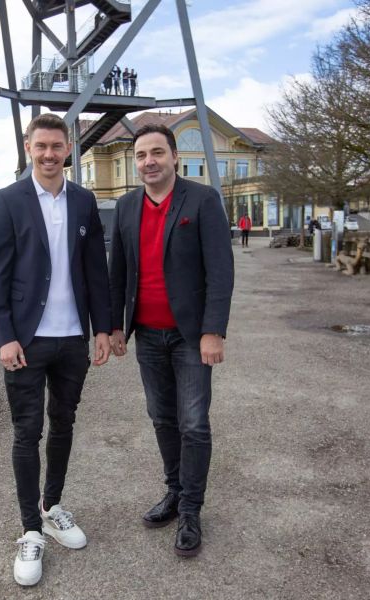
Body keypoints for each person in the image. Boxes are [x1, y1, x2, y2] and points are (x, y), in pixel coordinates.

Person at [0, 113, 112, 586]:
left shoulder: (83, 200)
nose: (49, 154)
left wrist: (103, 328)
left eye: (57, 146)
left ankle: (51, 504)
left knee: (64, 423)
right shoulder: (8, 201)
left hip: (73, 338)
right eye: (41, 146)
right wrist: (5, 337)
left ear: (68, 149)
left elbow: (96, 270)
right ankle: (30, 530)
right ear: (28, 148)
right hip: (26, 339)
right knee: (26, 432)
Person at [108, 124, 234, 558]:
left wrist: (213, 330)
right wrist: (114, 326)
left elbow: (220, 270)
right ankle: (175, 492)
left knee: (194, 424)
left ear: (174, 156)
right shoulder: (125, 208)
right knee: (162, 419)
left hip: (190, 337)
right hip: (147, 336)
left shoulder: (201, 200)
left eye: (157, 153)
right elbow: (118, 274)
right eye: (141, 155)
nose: (149, 162)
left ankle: (192, 512)